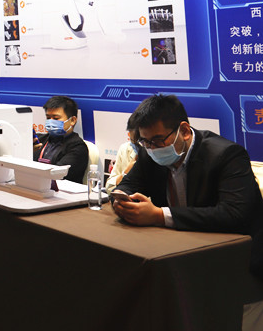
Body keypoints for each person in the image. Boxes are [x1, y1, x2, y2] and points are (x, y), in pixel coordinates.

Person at [112, 94, 263, 278]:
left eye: (158, 140)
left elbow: (234, 214)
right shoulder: (149, 152)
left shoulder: (226, 155)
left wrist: (159, 215)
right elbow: (127, 185)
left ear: (184, 131)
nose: (152, 148)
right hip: (176, 250)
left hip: (235, 259)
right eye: (145, 142)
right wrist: (121, 199)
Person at [33, 95, 88, 183]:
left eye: (56, 118)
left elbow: (56, 174)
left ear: (72, 120)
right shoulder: (39, 139)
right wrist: (28, 152)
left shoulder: (78, 147)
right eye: (48, 118)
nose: (51, 122)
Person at [105, 113, 139, 192]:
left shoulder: (156, 153)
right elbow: (109, 187)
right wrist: (126, 173)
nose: (140, 145)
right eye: (134, 140)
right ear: (129, 134)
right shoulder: (125, 148)